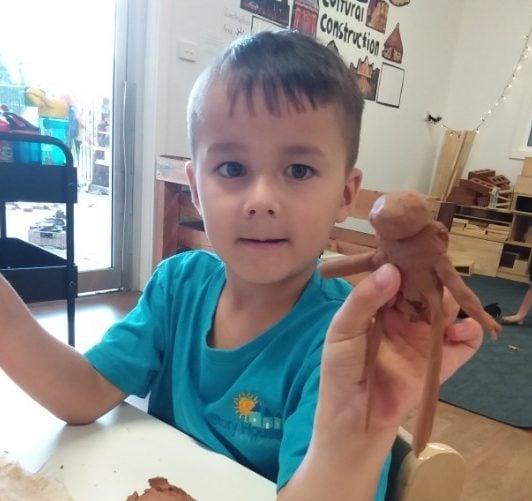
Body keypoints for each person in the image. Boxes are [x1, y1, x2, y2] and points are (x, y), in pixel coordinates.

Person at [0, 30, 482, 500]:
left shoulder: (347, 342)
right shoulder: (178, 285)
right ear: (195, 185)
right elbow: (82, 395)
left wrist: (357, 434)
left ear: (346, 194)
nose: (262, 200)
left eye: (298, 170)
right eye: (232, 169)